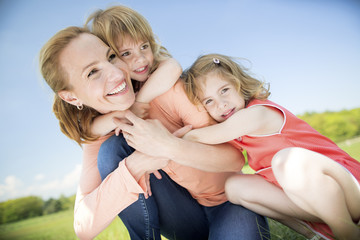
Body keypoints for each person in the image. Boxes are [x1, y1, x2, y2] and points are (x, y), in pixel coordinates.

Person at [39, 27, 269, 240]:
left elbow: (236, 158)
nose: (116, 74)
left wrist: (169, 147)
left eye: (111, 57)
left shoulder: (167, 89)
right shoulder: (98, 133)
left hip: (229, 201)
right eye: (92, 72)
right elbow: (82, 226)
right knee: (112, 148)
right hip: (184, 219)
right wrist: (136, 166)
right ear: (71, 97)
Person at [173, 53, 360, 239]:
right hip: (314, 202)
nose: (221, 104)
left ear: (238, 84)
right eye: (209, 101)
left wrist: (175, 139)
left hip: (348, 187)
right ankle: (315, 234)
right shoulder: (236, 135)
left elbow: (209, 135)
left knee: (286, 161)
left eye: (224, 90)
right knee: (234, 187)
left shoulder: (257, 113)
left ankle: (346, 231)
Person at [85, 6, 182, 137]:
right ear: (110, 57)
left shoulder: (157, 67)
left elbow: (173, 67)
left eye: (144, 46)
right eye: (126, 53)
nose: (141, 59)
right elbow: (91, 129)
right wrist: (127, 114)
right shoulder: (109, 88)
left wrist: (140, 102)